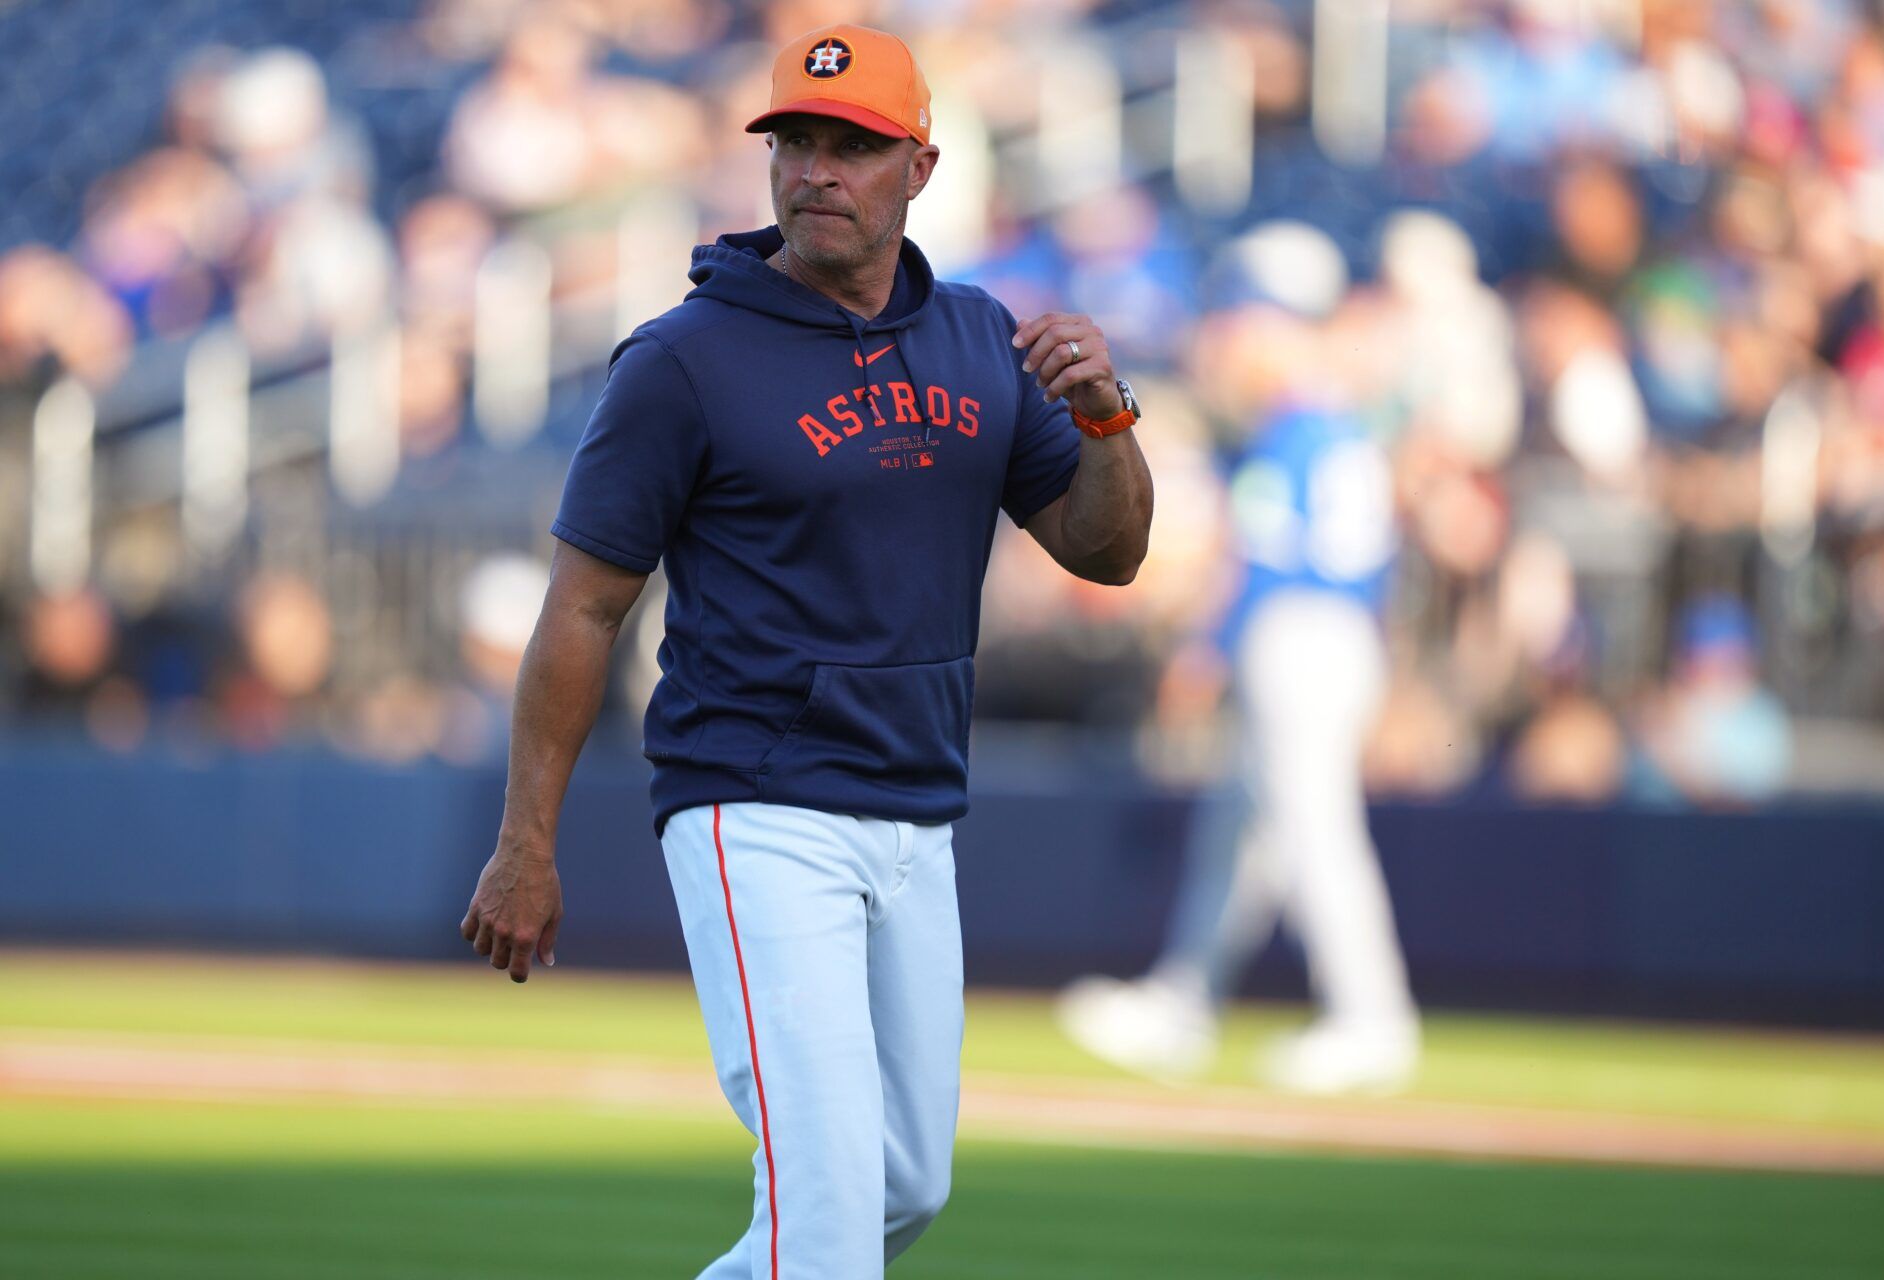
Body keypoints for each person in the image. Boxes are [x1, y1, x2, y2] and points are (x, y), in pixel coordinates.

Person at [458, 24, 1152, 1278]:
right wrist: (525, 841)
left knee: (903, 1184)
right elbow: (579, 610)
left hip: (917, 806)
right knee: (827, 1218)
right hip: (756, 804)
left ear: (920, 170)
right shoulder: (683, 360)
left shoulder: (980, 338)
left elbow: (1107, 553)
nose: (818, 169)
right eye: (796, 141)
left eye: (855, 146)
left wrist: (1105, 421)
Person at [1059, 270, 1417, 1097]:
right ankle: (1185, 1003)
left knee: (1311, 828)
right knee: (1243, 830)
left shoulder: (1300, 428)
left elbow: (1260, 563)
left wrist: (1207, 650)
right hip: (1332, 632)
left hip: (1301, 632)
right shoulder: (1329, 427)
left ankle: (1372, 1018)